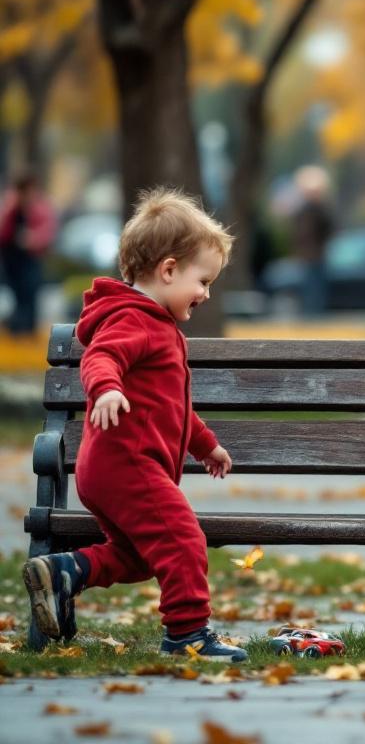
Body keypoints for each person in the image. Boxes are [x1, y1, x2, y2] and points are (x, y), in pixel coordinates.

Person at [22, 188, 245, 661]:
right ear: (168, 270)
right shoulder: (135, 320)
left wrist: (205, 446)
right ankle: (188, 634)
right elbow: (102, 357)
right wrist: (106, 388)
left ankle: (66, 571)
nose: (206, 293)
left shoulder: (155, 323)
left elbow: (173, 406)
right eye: (202, 281)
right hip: (128, 466)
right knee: (184, 538)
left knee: (142, 554)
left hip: (114, 471)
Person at [0, 173, 57, 336]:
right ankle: (18, 330)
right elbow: (3, 232)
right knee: (18, 296)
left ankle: (27, 330)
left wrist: (33, 238)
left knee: (30, 293)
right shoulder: (11, 206)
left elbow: (48, 231)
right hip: (12, 260)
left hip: (31, 259)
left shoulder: (39, 207)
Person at [291, 165, 334, 314]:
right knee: (310, 287)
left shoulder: (320, 210)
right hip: (309, 256)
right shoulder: (303, 211)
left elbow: (328, 229)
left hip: (317, 256)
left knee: (316, 288)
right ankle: (310, 313)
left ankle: (315, 313)